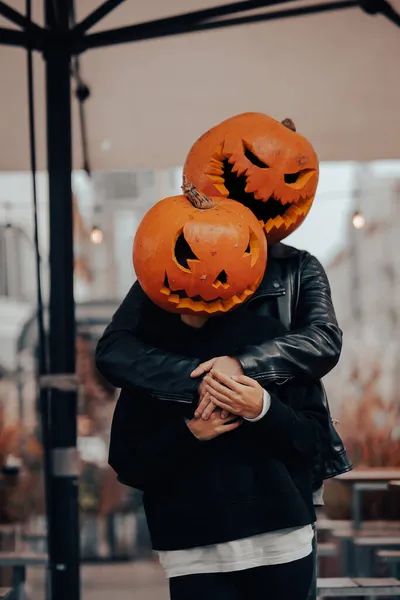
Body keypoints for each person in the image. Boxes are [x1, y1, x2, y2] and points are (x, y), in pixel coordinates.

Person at [109, 298, 331, 600]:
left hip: (280, 542)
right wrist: (190, 435)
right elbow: (128, 462)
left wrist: (263, 408)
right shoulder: (149, 355)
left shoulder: (269, 337)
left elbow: (313, 441)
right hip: (194, 553)